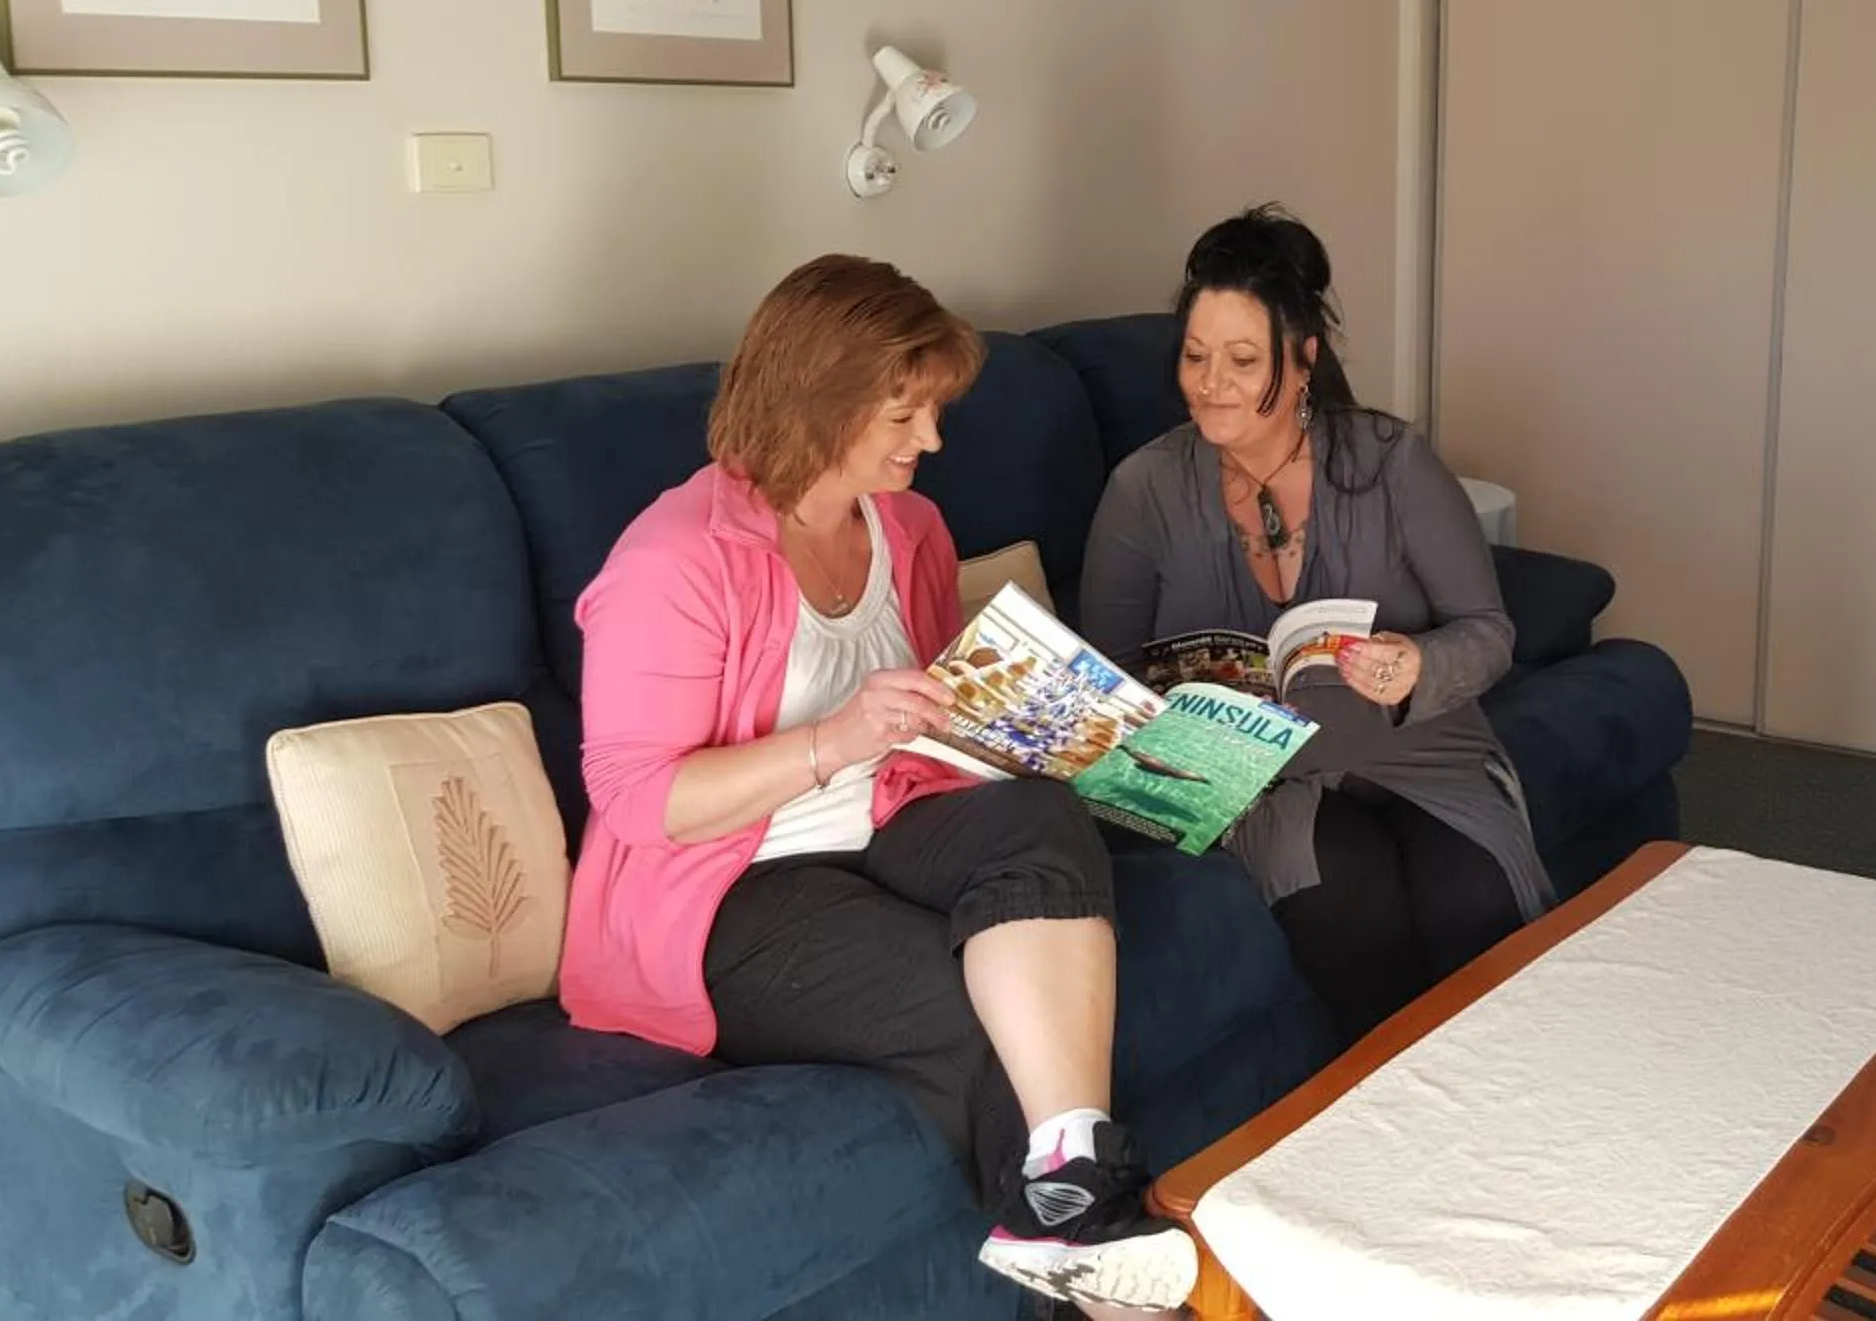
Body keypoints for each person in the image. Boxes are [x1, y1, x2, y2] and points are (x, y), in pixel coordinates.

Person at [558, 255, 1193, 1313]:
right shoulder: (676, 559)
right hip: (729, 881)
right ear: (819, 399)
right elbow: (639, 802)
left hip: (888, 815)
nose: (932, 440)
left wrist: (1047, 730)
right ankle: (1093, 1270)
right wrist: (834, 736)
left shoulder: (909, 529)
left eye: (934, 411)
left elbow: (931, 713)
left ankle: (1074, 1179)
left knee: (1037, 818)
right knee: (979, 1008)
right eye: (908, 414)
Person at [1079, 208, 1554, 1042]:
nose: (1211, 384)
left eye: (1242, 360)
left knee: (1475, 898)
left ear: (1305, 361)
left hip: (1420, 749)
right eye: (1194, 357)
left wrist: (1418, 662)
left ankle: (1511, 1116)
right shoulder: (1143, 489)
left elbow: (1487, 628)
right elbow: (1111, 690)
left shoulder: (1389, 463)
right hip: (1258, 779)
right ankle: (1387, 1127)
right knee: (1350, 900)